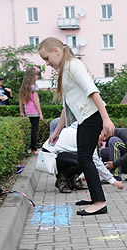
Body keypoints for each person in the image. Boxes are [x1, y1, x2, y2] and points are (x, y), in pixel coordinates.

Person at [39, 37, 115, 216]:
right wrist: (57, 132)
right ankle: (94, 197)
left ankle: (99, 202)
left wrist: (106, 119)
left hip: (93, 116)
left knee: (84, 159)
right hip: (85, 118)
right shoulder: (66, 69)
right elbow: (68, 105)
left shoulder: (73, 66)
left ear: (57, 51)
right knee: (84, 158)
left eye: (47, 58)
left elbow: (93, 91)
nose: (47, 63)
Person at [44, 122, 124, 194]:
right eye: (104, 135)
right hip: (50, 156)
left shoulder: (83, 129)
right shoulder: (87, 135)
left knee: (83, 159)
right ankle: (62, 179)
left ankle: (73, 180)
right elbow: (96, 161)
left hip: (58, 154)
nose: (104, 139)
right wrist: (113, 181)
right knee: (85, 161)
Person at [19, 68, 44, 155]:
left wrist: (21, 112)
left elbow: (21, 101)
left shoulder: (24, 87)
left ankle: (30, 148)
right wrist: (40, 112)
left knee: (31, 129)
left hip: (28, 111)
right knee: (35, 130)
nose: (37, 77)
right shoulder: (34, 87)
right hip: (35, 110)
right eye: (36, 75)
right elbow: (36, 101)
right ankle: (34, 148)